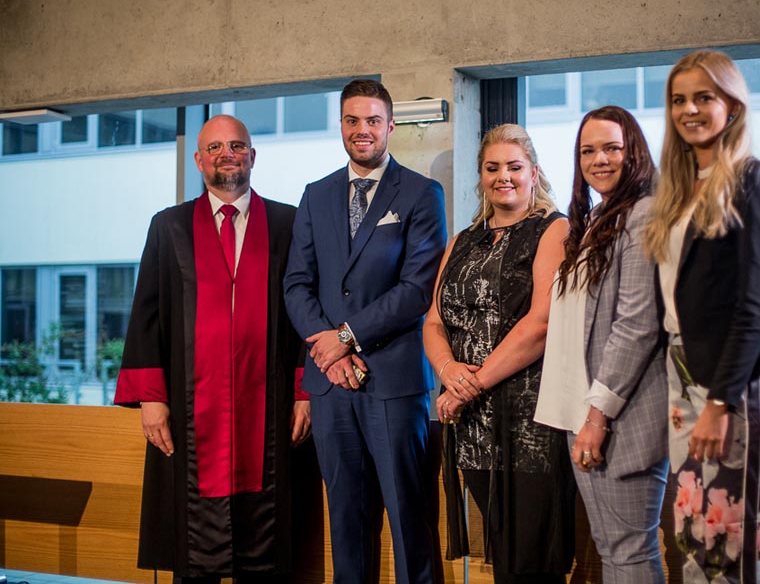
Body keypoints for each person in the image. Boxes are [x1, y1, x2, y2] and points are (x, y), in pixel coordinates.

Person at [114, 115, 312, 583]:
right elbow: (147, 313)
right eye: (216, 147)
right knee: (194, 549)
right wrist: (151, 397)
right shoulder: (170, 227)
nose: (227, 154)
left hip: (271, 404)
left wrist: (306, 392)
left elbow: (309, 312)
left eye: (237, 146)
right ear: (200, 159)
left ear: (253, 156)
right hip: (189, 408)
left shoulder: (288, 224)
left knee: (266, 546)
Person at [283, 79, 447, 584]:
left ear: (391, 126)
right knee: (347, 522)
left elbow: (417, 289)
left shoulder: (421, 193)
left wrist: (347, 337)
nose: (362, 130)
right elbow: (296, 285)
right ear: (341, 126)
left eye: (373, 120)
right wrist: (331, 352)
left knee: (408, 520)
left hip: (394, 383)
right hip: (332, 387)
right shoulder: (315, 195)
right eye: (352, 120)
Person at [644, 50, 760, 584]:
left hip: (737, 385)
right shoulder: (679, 190)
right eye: (679, 100)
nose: (690, 110)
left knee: (727, 541)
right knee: (691, 535)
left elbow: (755, 305)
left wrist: (721, 403)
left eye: (704, 97)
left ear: (732, 104)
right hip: (685, 376)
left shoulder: (752, 181)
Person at [423, 123, 573, 584]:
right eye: (492, 168)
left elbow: (542, 323)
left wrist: (469, 385)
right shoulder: (462, 240)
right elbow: (432, 321)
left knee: (532, 560)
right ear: (481, 176)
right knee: (503, 553)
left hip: (530, 422)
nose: (503, 176)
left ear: (534, 172)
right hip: (473, 426)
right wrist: (448, 369)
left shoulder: (554, 229)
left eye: (514, 166)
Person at [535, 106, 668, 583]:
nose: (599, 159)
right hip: (586, 410)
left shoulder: (645, 213)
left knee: (630, 552)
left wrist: (597, 416)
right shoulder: (596, 217)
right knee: (613, 551)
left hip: (619, 416)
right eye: (588, 150)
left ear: (632, 149)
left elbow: (637, 324)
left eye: (611, 147)